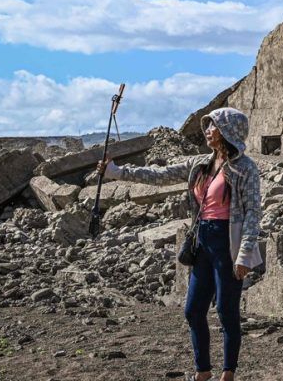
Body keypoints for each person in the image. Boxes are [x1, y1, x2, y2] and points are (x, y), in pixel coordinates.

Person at [98, 107, 262, 381]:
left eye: (214, 126)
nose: (207, 130)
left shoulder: (245, 168)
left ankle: (228, 373)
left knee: (226, 309)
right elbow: (158, 175)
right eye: (207, 125)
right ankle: (203, 371)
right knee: (193, 310)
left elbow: (253, 213)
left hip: (228, 244)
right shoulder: (200, 163)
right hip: (202, 241)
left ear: (228, 132)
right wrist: (117, 172)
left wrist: (245, 254)